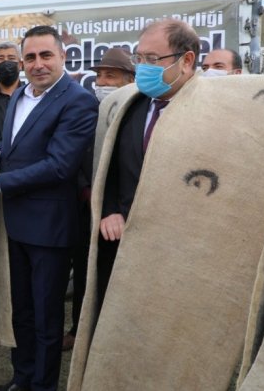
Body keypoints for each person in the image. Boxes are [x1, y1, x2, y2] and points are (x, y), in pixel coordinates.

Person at [0, 25, 99, 391]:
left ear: (63, 56)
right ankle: (22, 378)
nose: (37, 64)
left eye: (46, 55)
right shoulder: (20, 94)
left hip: (50, 228)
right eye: (29, 57)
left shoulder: (78, 101)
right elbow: (20, 146)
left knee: (47, 318)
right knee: (23, 311)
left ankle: (43, 386)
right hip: (16, 224)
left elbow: (60, 165)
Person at [97, 19, 199, 310]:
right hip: (126, 242)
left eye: (152, 59)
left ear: (186, 61)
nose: (142, 67)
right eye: (139, 58)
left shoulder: (210, 114)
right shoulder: (128, 107)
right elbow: (110, 168)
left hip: (183, 250)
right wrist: (110, 210)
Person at [62, 48, 136, 352]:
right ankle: (79, 329)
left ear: (129, 80)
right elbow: (75, 156)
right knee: (84, 271)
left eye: (111, 76)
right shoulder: (89, 112)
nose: (102, 82)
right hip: (86, 209)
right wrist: (86, 191)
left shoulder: (139, 113)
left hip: (125, 212)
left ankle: (115, 336)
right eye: (100, 76)